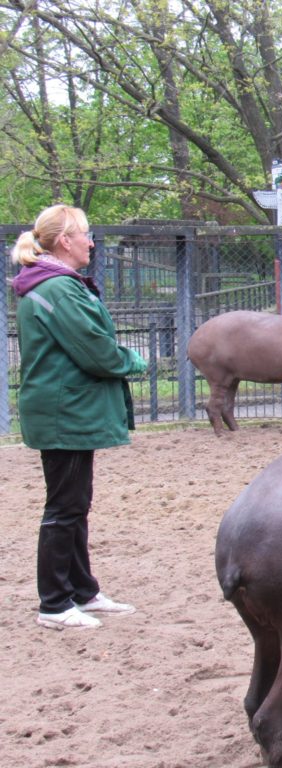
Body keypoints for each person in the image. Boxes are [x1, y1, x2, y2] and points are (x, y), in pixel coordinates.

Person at [11, 204, 144, 630]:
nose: (91, 242)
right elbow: (95, 350)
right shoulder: (58, 290)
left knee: (74, 505)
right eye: (85, 235)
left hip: (68, 410)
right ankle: (53, 604)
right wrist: (132, 361)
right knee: (64, 508)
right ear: (65, 241)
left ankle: (82, 592)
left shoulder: (56, 285)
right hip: (63, 412)